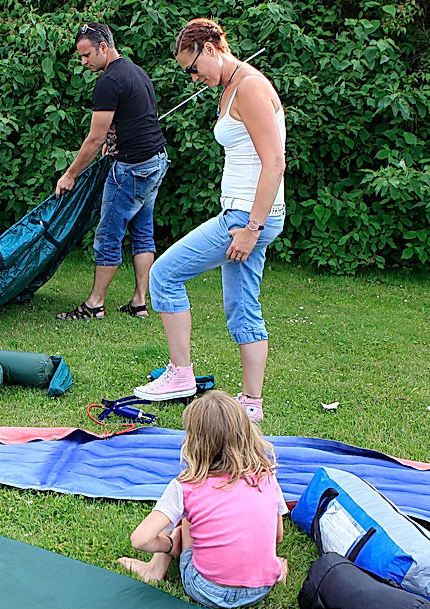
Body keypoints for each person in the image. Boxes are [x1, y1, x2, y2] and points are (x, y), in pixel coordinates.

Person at [132, 19, 286, 423]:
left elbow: (275, 162)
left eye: (193, 67)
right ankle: (251, 404)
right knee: (242, 305)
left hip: (246, 217)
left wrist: (252, 228)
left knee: (163, 275)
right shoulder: (230, 87)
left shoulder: (249, 87)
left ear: (212, 47)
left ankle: (180, 375)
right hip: (247, 213)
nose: (193, 77)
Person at [117, 391, 288, 609]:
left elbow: (140, 539)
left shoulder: (188, 485)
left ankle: (154, 569)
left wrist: (171, 544)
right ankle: (276, 570)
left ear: (195, 441)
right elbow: (278, 536)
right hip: (260, 588)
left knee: (186, 518)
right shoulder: (266, 476)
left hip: (206, 589)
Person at [54, 22, 168, 320]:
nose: (84, 62)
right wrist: (115, 141)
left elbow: (94, 139)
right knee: (142, 231)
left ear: (103, 47)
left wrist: (70, 174)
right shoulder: (135, 71)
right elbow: (136, 119)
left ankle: (94, 304)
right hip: (156, 161)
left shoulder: (109, 81)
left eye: (87, 54)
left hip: (133, 168)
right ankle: (140, 302)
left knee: (108, 235)